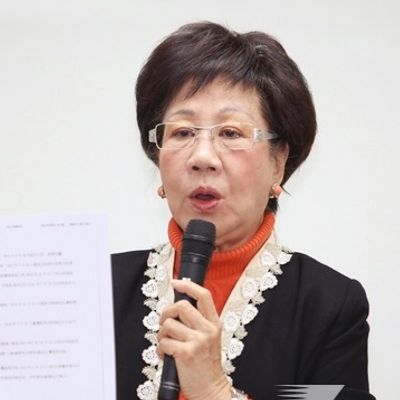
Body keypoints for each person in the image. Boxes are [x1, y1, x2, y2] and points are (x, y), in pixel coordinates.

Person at [112, 22, 374, 400]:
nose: (203, 157)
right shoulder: (100, 289)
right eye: (182, 132)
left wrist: (214, 389)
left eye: (231, 133)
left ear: (277, 165)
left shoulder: (328, 309)